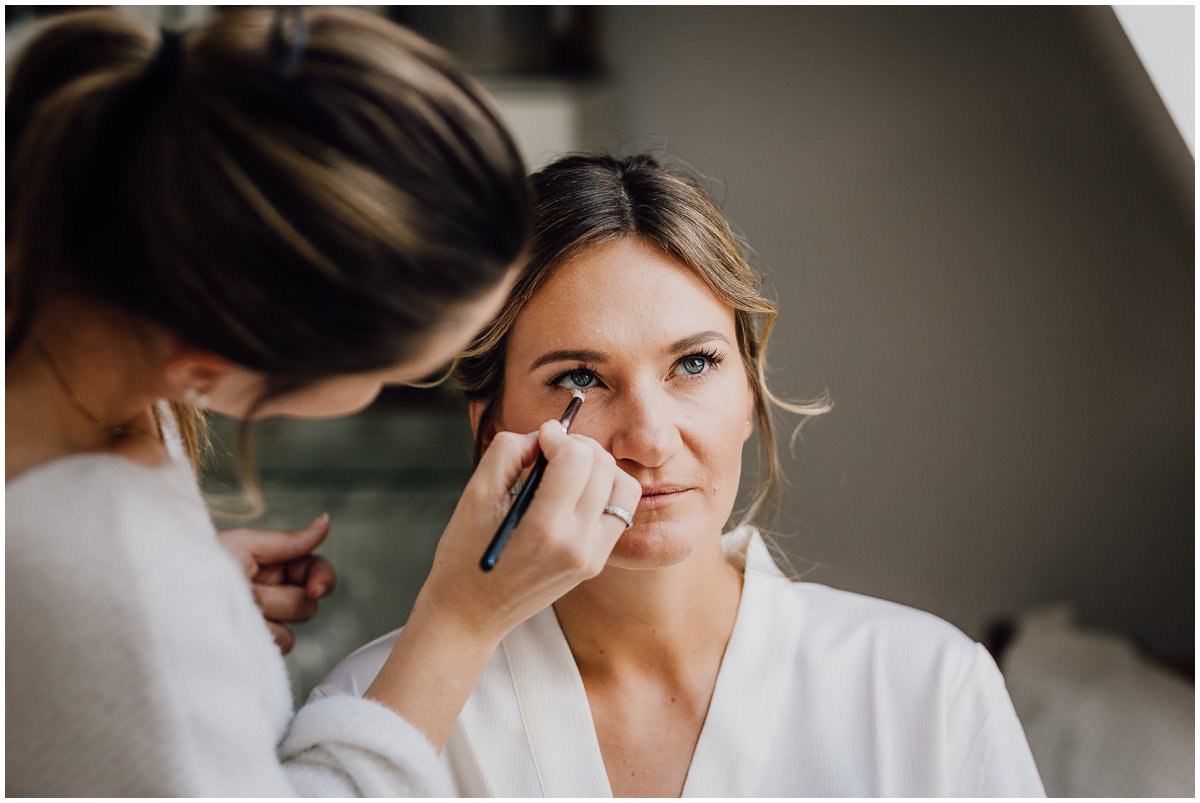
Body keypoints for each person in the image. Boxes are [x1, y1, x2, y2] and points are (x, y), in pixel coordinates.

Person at [5, 9, 639, 796]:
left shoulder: (77, 341)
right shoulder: (113, 576)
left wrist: (184, 612)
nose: (644, 431)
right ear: (212, 371)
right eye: (395, 375)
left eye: (697, 361)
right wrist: (462, 619)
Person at [314, 153, 1047, 797]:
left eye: (693, 364)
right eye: (580, 376)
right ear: (491, 424)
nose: (651, 439)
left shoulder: (925, 688)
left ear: (751, 387)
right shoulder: (377, 715)